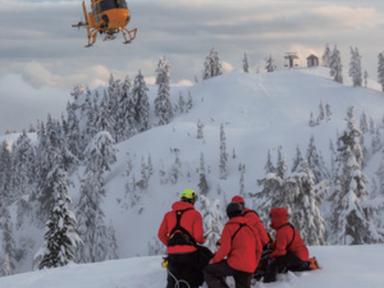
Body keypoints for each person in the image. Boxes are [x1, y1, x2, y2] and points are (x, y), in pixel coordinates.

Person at [204, 202, 262, 288]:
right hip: (249, 267)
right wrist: (253, 265)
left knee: (209, 270)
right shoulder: (252, 227)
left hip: (234, 265)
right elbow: (259, 249)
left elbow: (225, 249)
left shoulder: (229, 226)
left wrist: (214, 260)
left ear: (229, 214)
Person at [158, 189, 205, 288]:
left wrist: (172, 245)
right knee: (191, 281)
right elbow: (198, 238)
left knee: (172, 282)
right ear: (192, 201)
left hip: (172, 254)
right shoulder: (195, 215)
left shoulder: (168, 215)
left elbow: (161, 234)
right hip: (190, 254)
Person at [263, 207, 319, 283]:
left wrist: (269, 256)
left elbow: (280, 252)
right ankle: (307, 264)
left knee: (275, 262)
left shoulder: (282, 232)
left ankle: (269, 282)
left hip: (298, 256)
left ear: (277, 218)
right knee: (282, 261)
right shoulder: (286, 227)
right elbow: (280, 243)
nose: (271, 219)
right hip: (300, 254)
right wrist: (271, 247)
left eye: (272, 217)